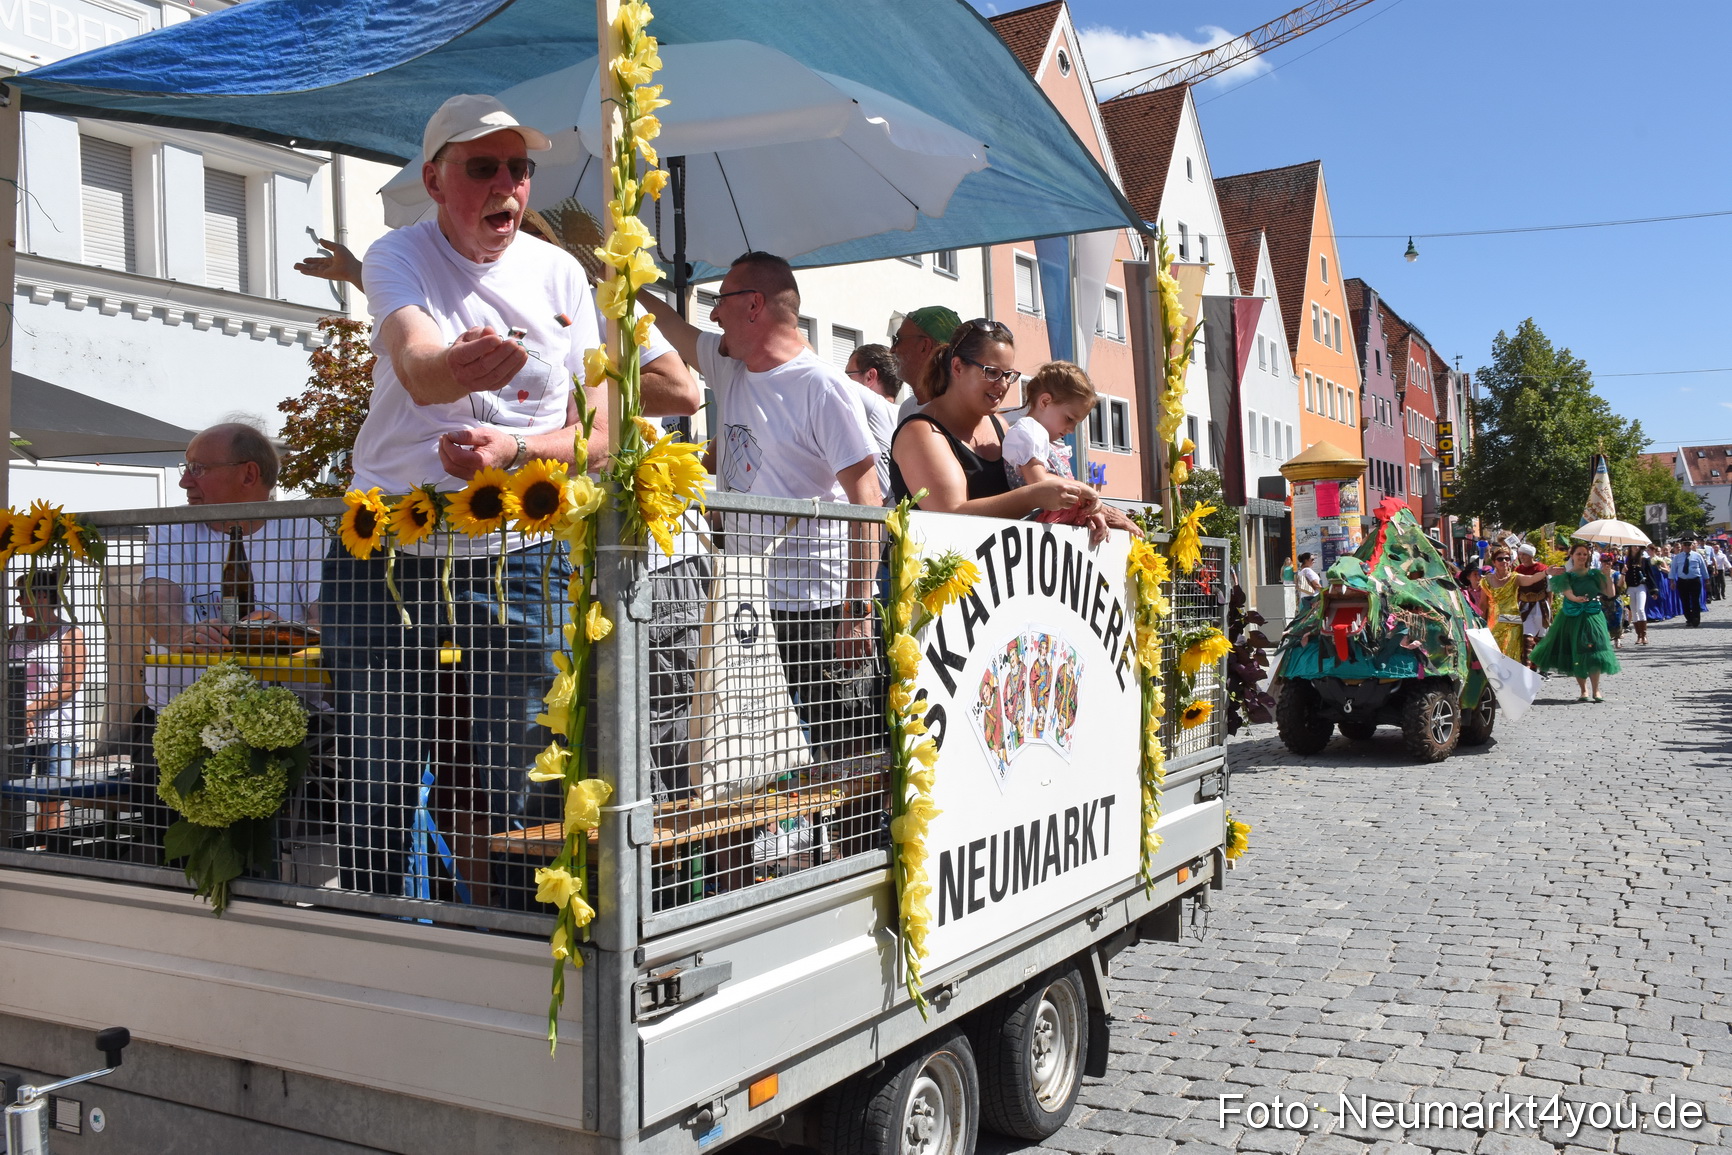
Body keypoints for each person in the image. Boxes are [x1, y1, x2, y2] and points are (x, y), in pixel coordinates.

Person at [321, 94, 700, 901]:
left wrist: (515, 448)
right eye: (482, 167)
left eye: (519, 168)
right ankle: (376, 941)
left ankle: (514, 948)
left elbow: (600, 434)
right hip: (386, 548)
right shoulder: (399, 253)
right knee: (379, 769)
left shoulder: (563, 271)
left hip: (515, 554)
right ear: (434, 178)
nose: (506, 185)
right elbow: (418, 362)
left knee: (523, 768)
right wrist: (458, 368)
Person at [642, 250, 880, 768]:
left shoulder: (822, 385)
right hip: (746, 603)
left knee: (843, 760)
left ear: (754, 305)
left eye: (721, 300)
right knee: (748, 762)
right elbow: (669, 325)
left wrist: (857, 609)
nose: (713, 315)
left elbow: (868, 498)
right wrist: (614, 277)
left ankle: (851, 851)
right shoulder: (730, 364)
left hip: (819, 607)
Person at [139, 423, 326, 854]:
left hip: (287, 730)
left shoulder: (303, 530)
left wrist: (282, 632)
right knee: (171, 862)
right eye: (185, 468)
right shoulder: (172, 527)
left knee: (270, 865)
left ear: (248, 474)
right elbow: (153, 598)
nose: (185, 480)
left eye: (198, 468)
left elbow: (327, 621)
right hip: (177, 724)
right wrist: (179, 634)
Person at [888, 319, 1101, 529]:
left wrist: (1086, 510)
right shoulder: (921, 432)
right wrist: (1033, 497)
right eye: (992, 372)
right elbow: (951, 515)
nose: (1003, 384)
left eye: (1008, 375)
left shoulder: (999, 424)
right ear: (958, 367)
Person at [8, 568, 88, 842]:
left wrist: (28, 711)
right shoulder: (14, 632)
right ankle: (13, 850)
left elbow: (70, 685)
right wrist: (17, 713)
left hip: (58, 730)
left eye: (22, 594)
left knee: (52, 798)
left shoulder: (71, 634)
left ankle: (49, 852)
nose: (18, 601)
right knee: (12, 794)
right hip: (18, 731)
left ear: (41, 596)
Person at [1528, 543, 1620, 702]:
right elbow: (1568, 593)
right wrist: (1576, 599)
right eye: (1579, 554)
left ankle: (1596, 690)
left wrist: (1607, 576)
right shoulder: (1566, 576)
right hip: (1573, 617)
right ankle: (1583, 690)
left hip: (1593, 615)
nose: (1582, 557)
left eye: (1585, 554)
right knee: (1578, 651)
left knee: (1596, 651)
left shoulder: (1595, 574)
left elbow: (1610, 593)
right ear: (1572, 555)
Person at [999, 361, 1093, 487]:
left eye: (1077, 423)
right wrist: (1080, 487)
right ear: (1045, 402)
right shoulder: (1027, 432)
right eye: (1069, 419)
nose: (1071, 430)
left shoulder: (1044, 441)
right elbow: (1038, 481)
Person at [844, 343, 900, 499]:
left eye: (849, 375)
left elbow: (828, 377)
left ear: (870, 376)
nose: (846, 380)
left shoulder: (875, 408)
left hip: (881, 520)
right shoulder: (906, 414)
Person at [890, 306, 960, 422]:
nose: (892, 349)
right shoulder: (907, 408)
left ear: (924, 346)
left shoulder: (957, 410)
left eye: (897, 340)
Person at [1481, 548, 1525, 659]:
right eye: (1500, 559)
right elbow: (1482, 604)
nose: (1504, 561)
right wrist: (1480, 623)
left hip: (1512, 618)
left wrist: (1545, 572)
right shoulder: (1487, 580)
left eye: (1507, 558)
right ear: (1494, 562)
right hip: (1494, 621)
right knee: (1495, 653)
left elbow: (1532, 579)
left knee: (1512, 653)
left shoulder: (1515, 577)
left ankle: (1514, 675)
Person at [1512, 544, 1552, 663]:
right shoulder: (1518, 570)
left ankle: (1543, 666)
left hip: (1540, 605)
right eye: (1520, 554)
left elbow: (1549, 590)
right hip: (1524, 606)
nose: (1521, 557)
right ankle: (1528, 666)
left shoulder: (1542, 569)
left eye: (1524, 554)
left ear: (1530, 555)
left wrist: (1548, 606)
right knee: (1527, 637)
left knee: (1541, 637)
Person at [1671, 535, 1710, 628]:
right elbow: (1673, 570)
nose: (1687, 547)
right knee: (1685, 601)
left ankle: (1696, 619)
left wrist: (1707, 580)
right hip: (1682, 581)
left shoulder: (1697, 556)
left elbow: (1703, 569)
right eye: (1685, 545)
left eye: (1689, 545)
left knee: (1695, 600)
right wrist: (1672, 581)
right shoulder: (1677, 557)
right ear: (1682, 545)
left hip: (1695, 580)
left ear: (1692, 545)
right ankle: (1689, 618)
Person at [1622, 545, 1651, 646]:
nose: (1636, 547)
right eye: (1634, 546)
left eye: (1638, 546)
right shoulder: (1626, 560)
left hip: (1641, 586)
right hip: (1630, 588)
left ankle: (1644, 635)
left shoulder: (1644, 560)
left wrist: (1653, 590)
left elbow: (1649, 574)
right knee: (1633, 611)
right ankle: (1639, 636)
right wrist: (1624, 571)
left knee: (1640, 609)